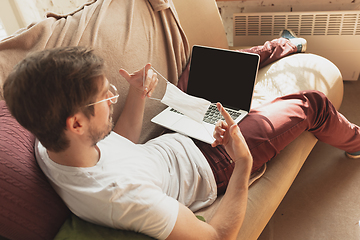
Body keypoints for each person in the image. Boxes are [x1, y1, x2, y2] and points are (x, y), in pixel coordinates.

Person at [3, 37, 360, 240]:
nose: (113, 95)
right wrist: (243, 165)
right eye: (104, 95)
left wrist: (139, 94)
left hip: (176, 134)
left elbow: (122, 147)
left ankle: (278, 47)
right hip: (214, 162)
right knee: (311, 104)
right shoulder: (125, 197)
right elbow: (217, 237)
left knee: (205, 65)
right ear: (76, 124)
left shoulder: (50, 146)